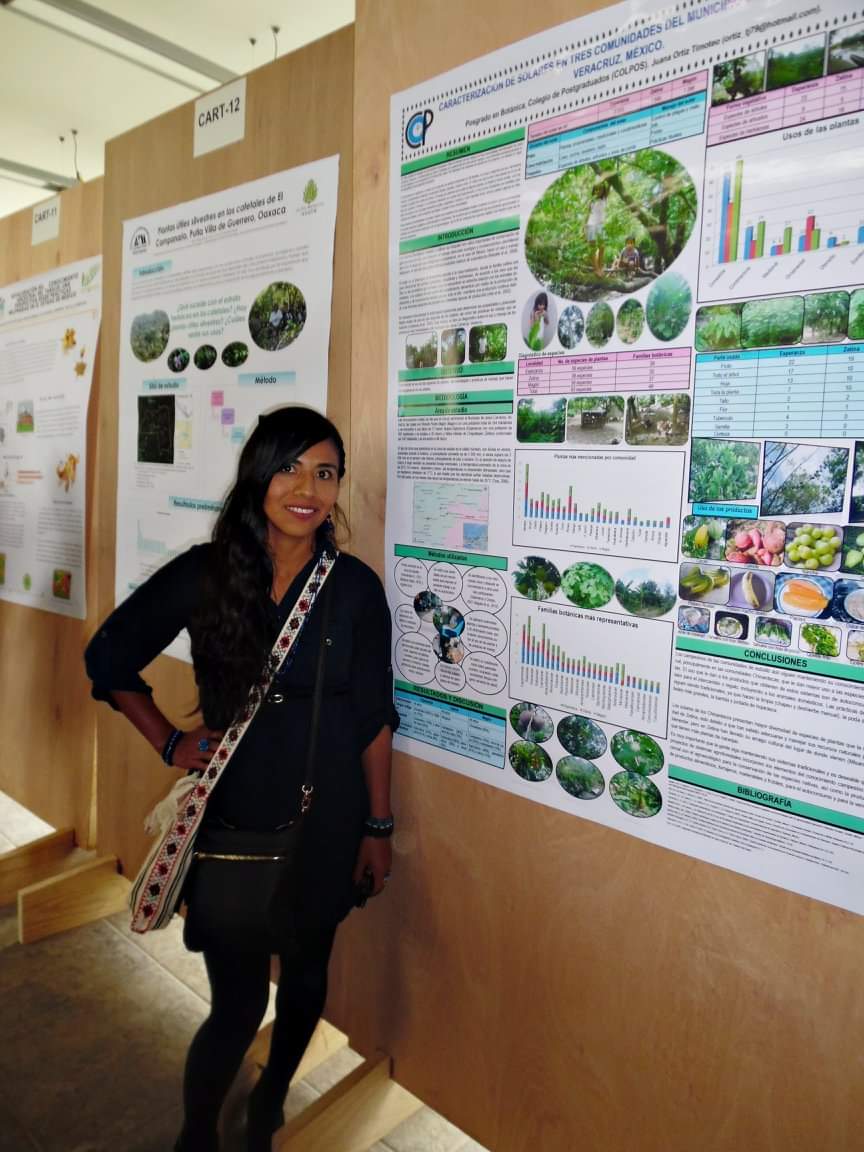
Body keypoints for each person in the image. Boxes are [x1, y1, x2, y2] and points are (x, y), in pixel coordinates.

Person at [84, 406, 398, 1152]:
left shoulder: (354, 588)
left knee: (306, 981)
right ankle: (197, 1133)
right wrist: (169, 742)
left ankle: (268, 1105)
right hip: (233, 817)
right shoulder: (208, 573)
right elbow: (109, 658)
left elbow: (374, 717)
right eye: (290, 468)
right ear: (258, 474)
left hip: (328, 816)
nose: (307, 489)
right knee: (235, 1003)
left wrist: (378, 826)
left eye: (325, 473)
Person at [585, 181, 610, 275]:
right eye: (596, 189)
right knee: (592, 247)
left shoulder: (604, 199)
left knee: (602, 246)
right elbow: (587, 214)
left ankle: (600, 267)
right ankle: (596, 269)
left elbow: (609, 184)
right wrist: (584, 227)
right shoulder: (591, 201)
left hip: (601, 225)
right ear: (593, 190)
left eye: (600, 189)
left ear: (603, 190)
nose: (598, 191)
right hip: (591, 224)